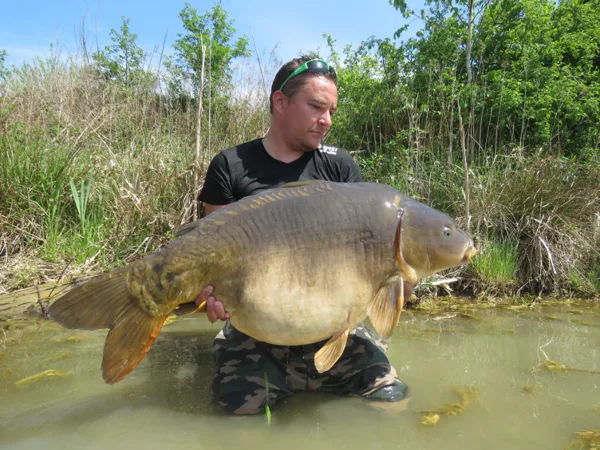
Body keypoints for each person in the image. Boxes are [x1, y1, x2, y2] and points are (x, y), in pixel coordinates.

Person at [195, 55, 408, 415]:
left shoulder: (339, 167)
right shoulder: (230, 166)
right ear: (280, 102)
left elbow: (369, 260)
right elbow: (211, 260)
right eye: (316, 107)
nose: (327, 121)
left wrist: (396, 280)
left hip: (335, 327)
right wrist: (210, 296)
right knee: (238, 416)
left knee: (393, 402)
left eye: (331, 111)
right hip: (258, 331)